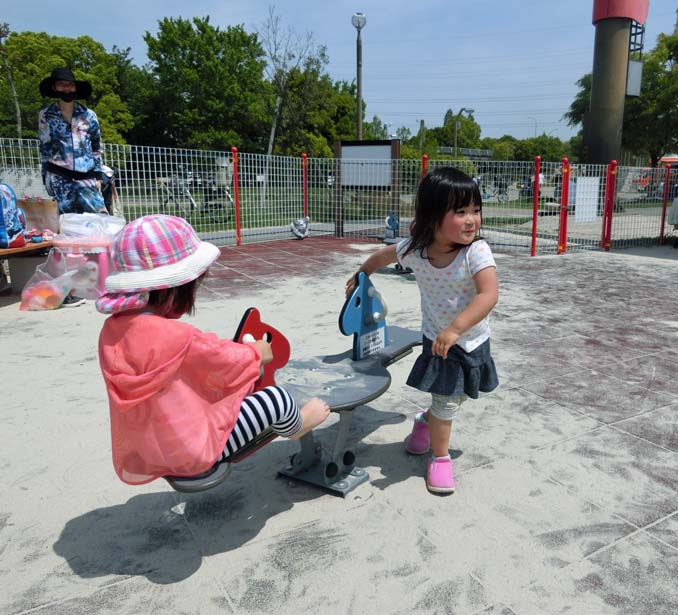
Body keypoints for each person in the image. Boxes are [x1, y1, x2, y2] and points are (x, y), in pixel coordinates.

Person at [96, 214, 330, 485]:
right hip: (193, 452)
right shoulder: (179, 337)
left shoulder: (111, 333)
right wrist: (258, 352)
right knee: (275, 399)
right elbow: (227, 361)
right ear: (174, 289)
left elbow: (192, 359)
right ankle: (298, 425)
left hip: (151, 447)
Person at [345, 167, 499, 495]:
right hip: (439, 341)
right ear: (432, 217)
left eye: (475, 210)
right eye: (460, 212)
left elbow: (489, 294)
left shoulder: (476, 252)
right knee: (446, 403)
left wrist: (457, 328)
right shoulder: (417, 249)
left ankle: (425, 422)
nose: (472, 219)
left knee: (454, 399)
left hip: (470, 339)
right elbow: (384, 255)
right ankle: (439, 458)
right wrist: (362, 274)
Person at [38, 67, 105, 215]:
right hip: (59, 177)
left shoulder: (89, 115)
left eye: (70, 84)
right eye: (61, 84)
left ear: (75, 87)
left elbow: (96, 147)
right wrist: (46, 178)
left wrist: (98, 176)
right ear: (54, 87)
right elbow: (45, 149)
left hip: (86, 176)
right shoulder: (46, 115)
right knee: (65, 223)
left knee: (99, 219)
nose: (66, 88)